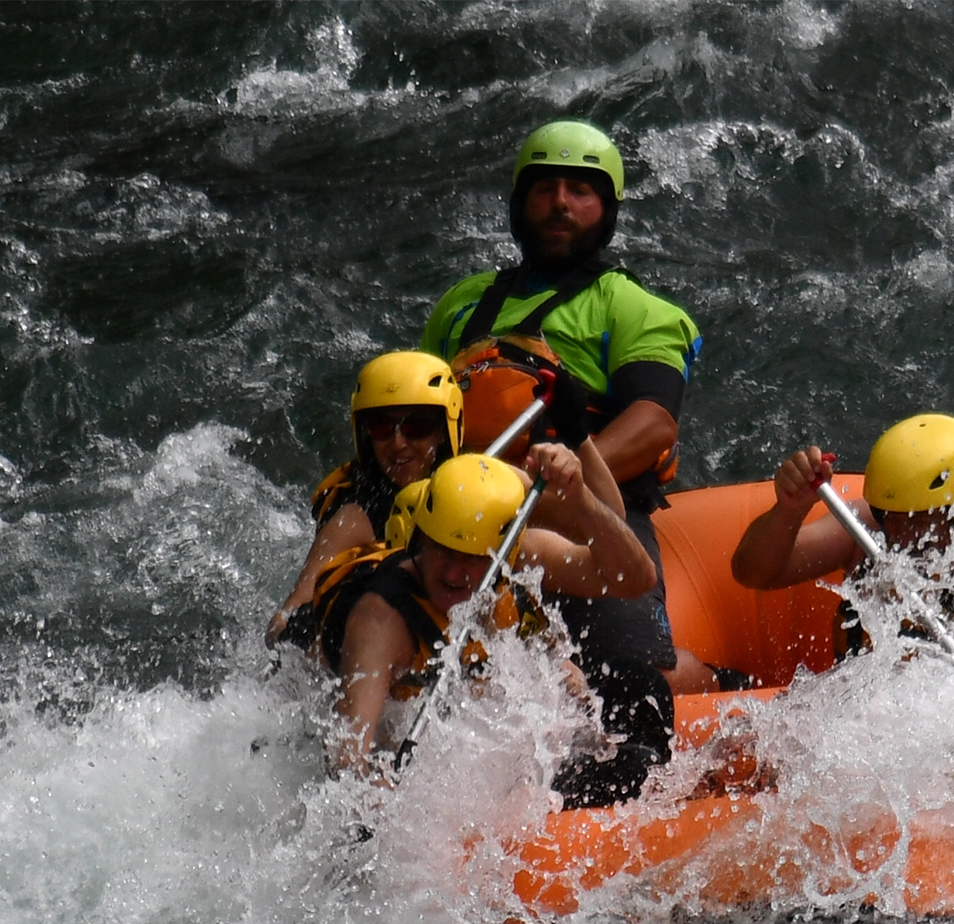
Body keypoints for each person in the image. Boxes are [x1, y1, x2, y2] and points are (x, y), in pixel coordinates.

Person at [418, 119, 708, 692]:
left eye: (580, 191)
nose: (559, 204)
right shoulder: (461, 304)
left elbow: (653, 424)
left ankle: (719, 682)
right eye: (544, 188)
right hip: (461, 514)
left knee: (630, 677)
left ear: (607, 208)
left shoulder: (631, 306)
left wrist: (546, 490)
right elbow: (416, 408)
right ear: (519, 203)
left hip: (589, 512)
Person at [315, 447, 672, 806]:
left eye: (473, 558)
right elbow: (348, 760)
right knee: (634, 769)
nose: (455, 573)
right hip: (451, 774)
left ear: (505, 550)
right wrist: (382, 799)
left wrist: (579, 497)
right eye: (444, 551)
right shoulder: (381, 621)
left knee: (644, 686)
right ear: (421, 540)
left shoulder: (520, 553)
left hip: (501, 732)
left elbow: (635, 579)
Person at [730, 414, 954, 748]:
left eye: (922, 519)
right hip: (862, 730)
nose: (904, 534)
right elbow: (753, 573)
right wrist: (789, 509)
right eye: (894, 517)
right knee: (736, 746)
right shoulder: (866, 528)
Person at [266, 351, 461, 647]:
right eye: (381, 428)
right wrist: (302, 627)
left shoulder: (478, 483)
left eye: (416, 428)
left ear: (443, 433)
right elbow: (289, 612)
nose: (398, 444)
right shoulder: (356, 515)